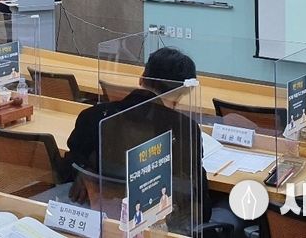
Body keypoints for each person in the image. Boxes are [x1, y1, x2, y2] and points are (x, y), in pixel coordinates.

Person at [60, 47, 240, 236]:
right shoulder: (185, 129)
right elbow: (200, 205)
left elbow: (68, 168)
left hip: (104, 221)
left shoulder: (93, 116)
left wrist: (85, 175)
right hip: (159, 227)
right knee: (231, 206)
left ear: (141, 79)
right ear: (182, 93)